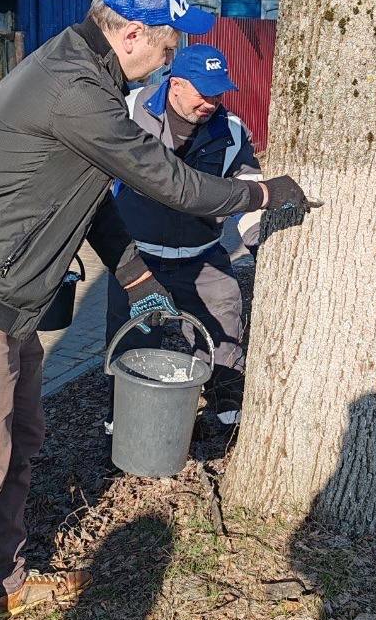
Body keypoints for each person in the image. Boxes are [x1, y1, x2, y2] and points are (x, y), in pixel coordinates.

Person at [0, 0, 307, 620]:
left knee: (21, 440)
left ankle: (2, 585)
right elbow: (169, 183)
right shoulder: (75, 87)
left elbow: (93, 198)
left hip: (4, 300)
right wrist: (261, 190)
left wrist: (141, 283)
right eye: (173, 39)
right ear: (135, 33)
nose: (178, 52)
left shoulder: (91, 75)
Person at [105, 43, 262, 431]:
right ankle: (124, 423)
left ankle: (226, 402)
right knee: (135, 341)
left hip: (202, 255)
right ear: (175, 83)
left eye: (218, 91)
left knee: (223, 324)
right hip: (137, 258)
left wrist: (259, 241)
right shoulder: (128, 112)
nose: (211, 101)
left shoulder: (231, 131)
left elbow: (247, 190)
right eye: (202, 91)